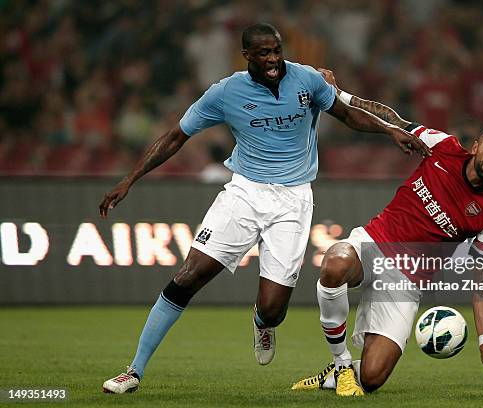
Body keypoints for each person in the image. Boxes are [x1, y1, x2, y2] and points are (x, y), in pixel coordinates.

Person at [99, 24, 431, 394]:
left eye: (277, 50)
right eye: (264, 53)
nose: (273, 60)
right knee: (188, 276)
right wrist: (130, 178)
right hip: (244, 192)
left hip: (293, 201)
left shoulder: (307, 79)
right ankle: (134, 370)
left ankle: (261, 323)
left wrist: (390, 131)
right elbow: (177, 136)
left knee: (273, 310)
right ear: (247, 56)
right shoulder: (225, 92)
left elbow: (347, 113)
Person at [291, 69, 483, 396]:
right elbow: (392, 118)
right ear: (476, 146)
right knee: (335, 262)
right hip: (375, 244)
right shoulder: (443, 147)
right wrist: (341, 96)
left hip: (407, 281)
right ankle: (341, 362)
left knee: (371, 379)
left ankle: (337, 375)